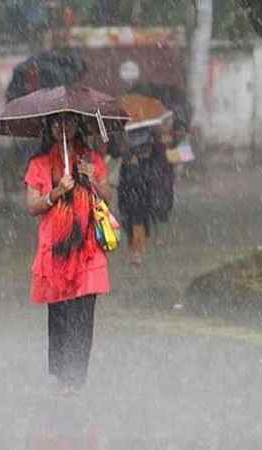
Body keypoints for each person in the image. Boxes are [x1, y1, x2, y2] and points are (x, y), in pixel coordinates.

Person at [24, 113, 112, 395]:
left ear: (79, 126)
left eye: (70, 123)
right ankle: (63, 375)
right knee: (60, 315)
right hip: (56, 252)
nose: (64, 128)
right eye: (57, 123)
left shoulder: (91, 160)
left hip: (87, 250)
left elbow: (107, 196)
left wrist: (91, 180)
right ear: (48, 128)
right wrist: (56, 192)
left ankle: (76, 378)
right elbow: (32, 206)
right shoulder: (39, 165)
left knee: (83, 317)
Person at [117, 122, 175, 265]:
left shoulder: (154, 137)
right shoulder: (129, 129)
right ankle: (135, 249)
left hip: (143, 182)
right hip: (130, 181)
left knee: (140, 216)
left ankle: (137, 250)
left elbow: (162, 165)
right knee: (131, 216)